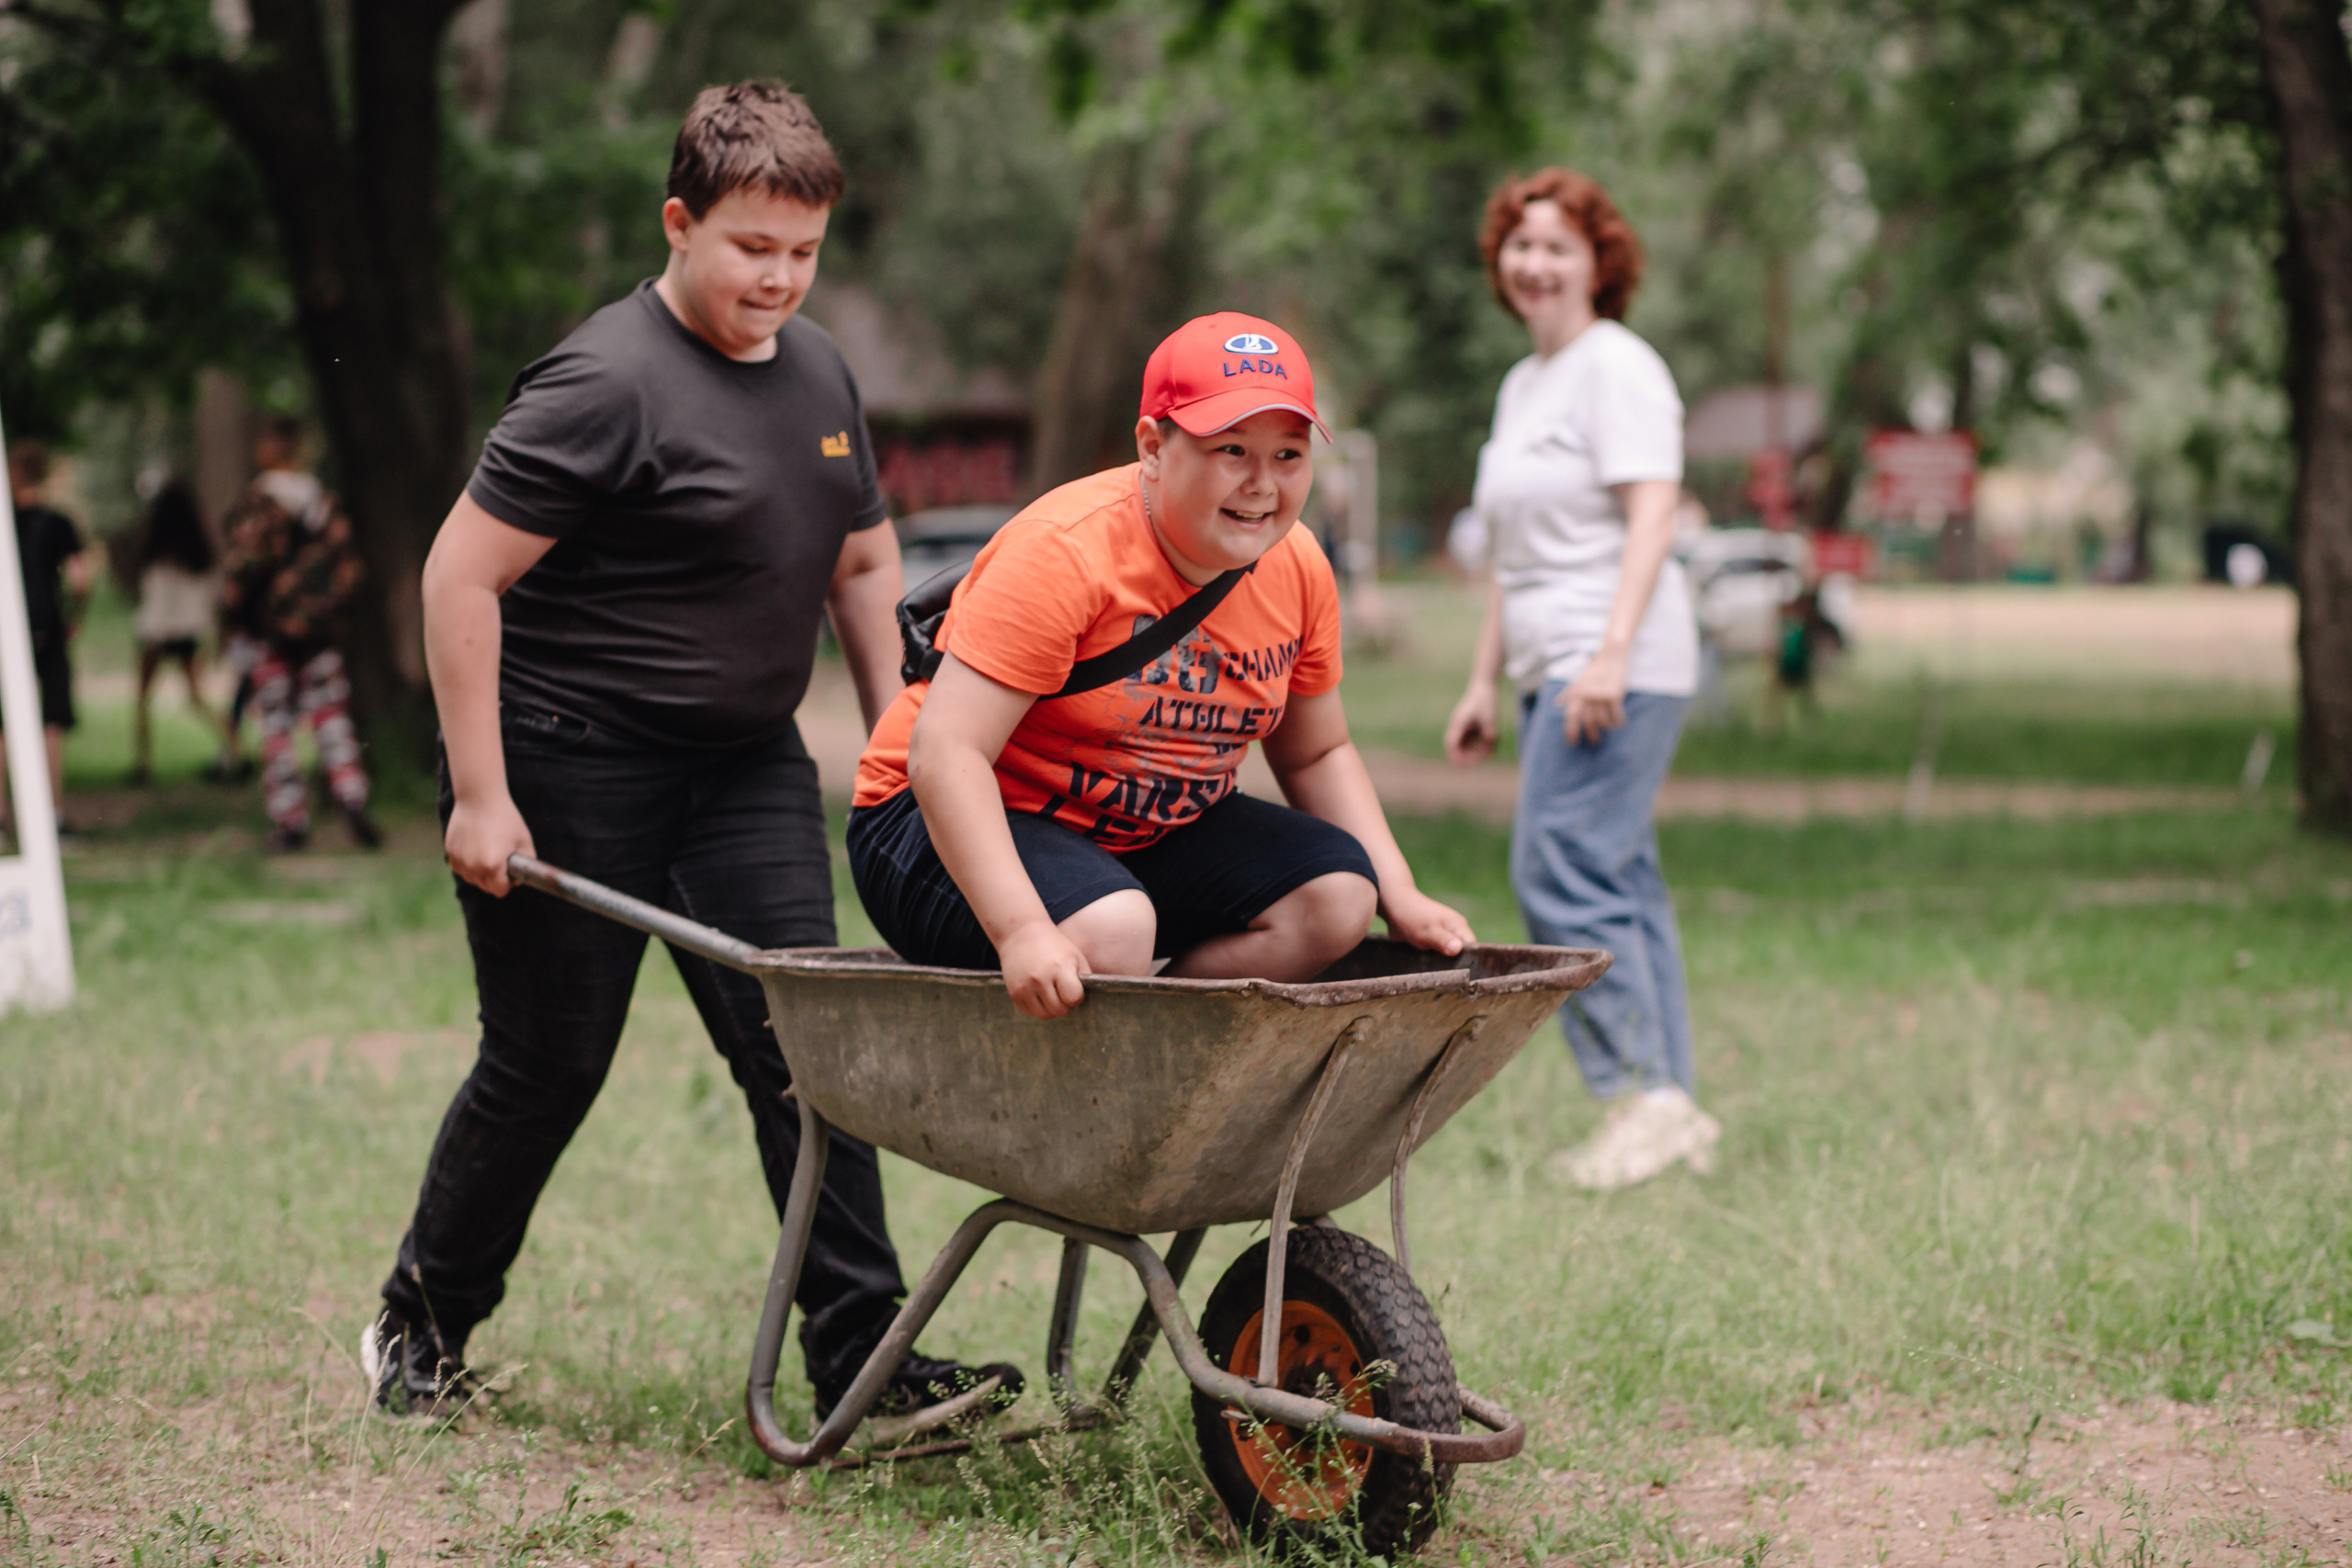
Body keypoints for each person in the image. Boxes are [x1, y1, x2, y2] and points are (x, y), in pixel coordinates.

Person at [365, 80, 1022, 1426]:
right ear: (680, 223)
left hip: (741, 769)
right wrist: (483, 792)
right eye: (750, 248)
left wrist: (901, 731)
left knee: (811, 1057)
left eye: (802, 252)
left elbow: (859, 555)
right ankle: (420, 1321)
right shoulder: (605, 381)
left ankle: (860, 1360)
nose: (778, 278)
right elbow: (455, 576)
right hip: (568, 759)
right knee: (549, 1061)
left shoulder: (825, 372)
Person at [849, 312, 1473, 1019]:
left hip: (1135, 833)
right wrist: (1021, 928)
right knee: (1110, 928)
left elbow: (1317, 751)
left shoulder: (1299, 568)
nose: (1262, 484)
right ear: (1152, 445)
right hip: (934, 820)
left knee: (1338, 897)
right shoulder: (1067, 552)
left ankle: (1176, 1067)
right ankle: (1099, 1086)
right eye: (1232, 450)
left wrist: (1401, 892)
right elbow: (946, 752)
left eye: (1289, 455)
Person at [1442, 169, 1721, 1190]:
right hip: (1549, 659)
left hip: (1617, 662)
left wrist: (1607, 653)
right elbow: (1514, 560)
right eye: (1519, 245)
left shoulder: (1618, 366)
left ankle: (1640, 1097)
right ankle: (1669, 1103)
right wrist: (1481, 681)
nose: (1534, 264)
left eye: (1557, 245)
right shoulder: (1526, 385)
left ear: (1600, 262)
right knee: (1617, 877)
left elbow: (1652, 515)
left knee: (1558, 869)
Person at [217, 417, 380, 852]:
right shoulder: (323, 501)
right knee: (332, 718)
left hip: (270, 634)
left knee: (276, 725)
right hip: (321, 632)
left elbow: (242, 569)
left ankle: (291, 818)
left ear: (269, 448)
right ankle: (351, 794)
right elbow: (349, 568)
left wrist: (231, 616)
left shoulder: (259, 502)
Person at [4, 441, 90, 835]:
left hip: (6, 625)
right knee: (50, 722)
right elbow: (80, 578)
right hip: (46, 624)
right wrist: (76, 617)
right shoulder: (58, 522)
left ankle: (2, 818)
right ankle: (51, 816)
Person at [129, 481, 232, 785]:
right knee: (197, 698)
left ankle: (142, 762)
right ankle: (235, 748)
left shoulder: (156, 554)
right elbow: (210, 593)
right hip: (188, 632)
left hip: (156, 633)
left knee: (144, 699)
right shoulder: (198, 553)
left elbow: (154, 599)